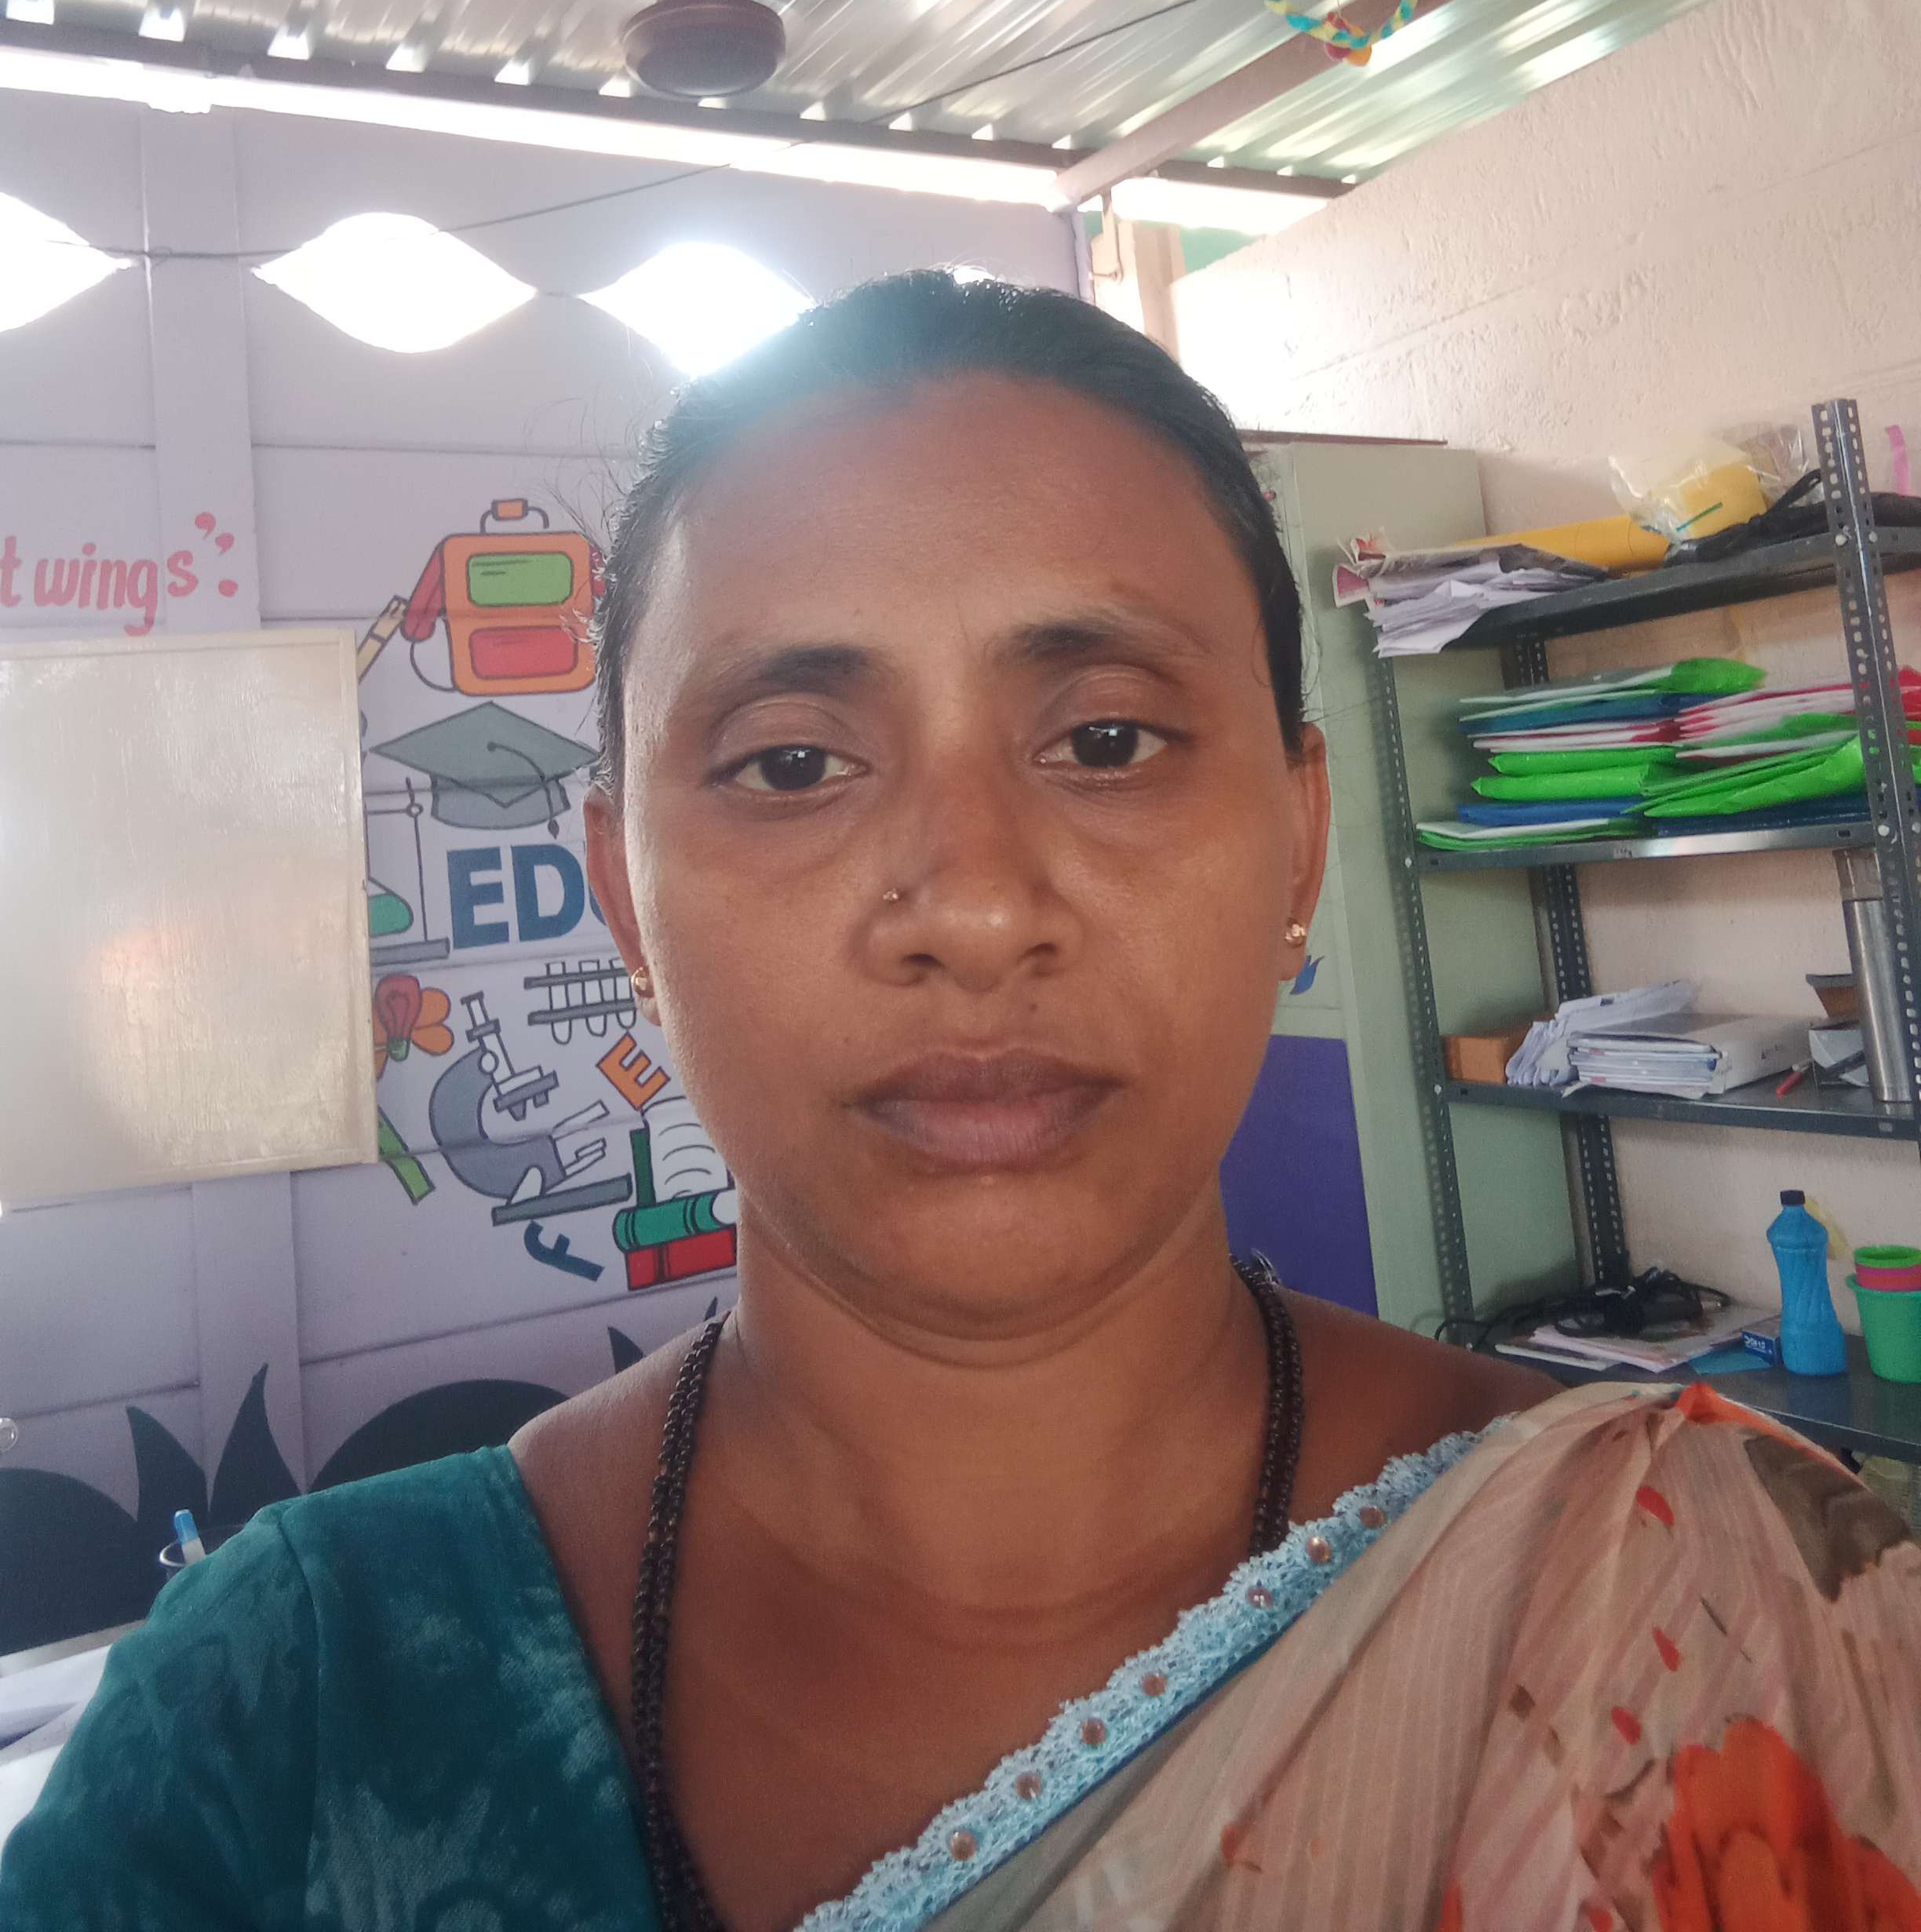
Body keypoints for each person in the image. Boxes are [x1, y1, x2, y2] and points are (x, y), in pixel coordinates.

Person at [6, 272, 1919, 1932]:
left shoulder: (1724, 1604)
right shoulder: (278, 1720)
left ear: (1299, 844)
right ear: (625, 904)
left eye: (1109, 739)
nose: (977, 904)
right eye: (791, 763)